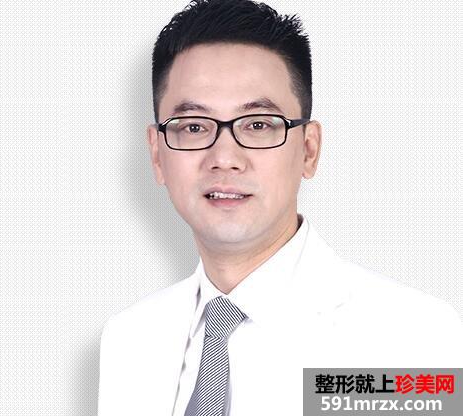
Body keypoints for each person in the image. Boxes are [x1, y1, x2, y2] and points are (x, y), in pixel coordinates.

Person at [97, 1, 463, 415]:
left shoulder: (413, 336)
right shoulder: (128, 340)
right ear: (157, 154)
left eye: (258, 125)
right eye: (194, 126)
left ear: (309, 149)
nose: (225, 158)